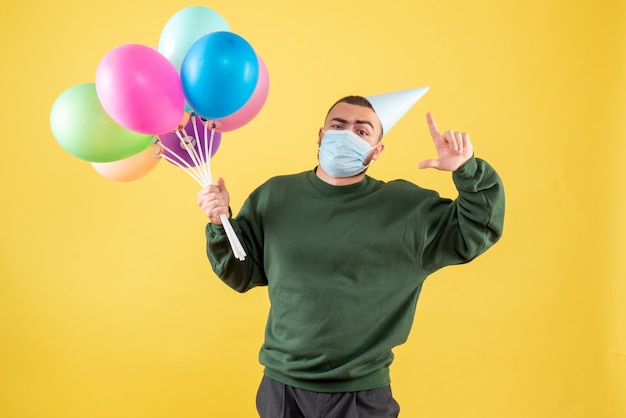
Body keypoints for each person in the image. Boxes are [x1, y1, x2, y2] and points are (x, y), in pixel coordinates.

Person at [197, 95, 505, 417]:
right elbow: (242, 272)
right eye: (338, 126)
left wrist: (467, 171)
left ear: (377, 150)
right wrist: (221, 223)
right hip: (281, 389)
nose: (347, 135)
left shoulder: (407, 208)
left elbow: (476, 229)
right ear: (320, 135)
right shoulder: (274, 196)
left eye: (362, 131)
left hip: (360, 394)